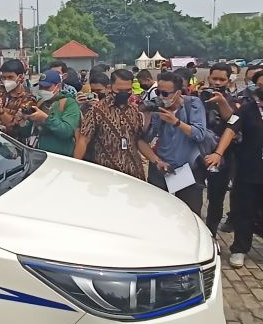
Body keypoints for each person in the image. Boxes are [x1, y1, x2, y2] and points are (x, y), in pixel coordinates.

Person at [204, 80, 263, 267]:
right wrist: (218, 153)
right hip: (249, 170)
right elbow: (230, 130)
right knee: (245, 211)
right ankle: (239, 249)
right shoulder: (247, 109)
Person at [75, 69, 158, 179]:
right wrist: (76, 168)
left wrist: (156, 161)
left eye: (128, 90)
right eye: (120, 90)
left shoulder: (134, 110)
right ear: (110, 88)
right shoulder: (96, 110)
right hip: (106, 175)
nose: (124, 94)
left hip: (134, 174)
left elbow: (139, 140)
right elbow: (83, 140)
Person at [143, 72, 207, 214]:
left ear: (178, 93)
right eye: (158, 92)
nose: (160, 97)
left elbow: (200, 134)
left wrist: (176, 122)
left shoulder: (193, 104)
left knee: (190, 213)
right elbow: (145, 139)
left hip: (188, 169)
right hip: (162, 166)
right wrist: (147, 118)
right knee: (156, 211)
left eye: (165, 93)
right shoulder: (157, 108)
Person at [201, 63, 241, 236]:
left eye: (221, 79)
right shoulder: (198, 96)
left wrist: (222, 102)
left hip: (223, 156)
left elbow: (233, 122)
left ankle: (211, 233)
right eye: (214, 78)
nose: (217, 82)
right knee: (193, 193)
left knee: (216, 199)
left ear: (228, 80)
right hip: (199, 153)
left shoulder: (236, 100)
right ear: (209, 77)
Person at [24, 69, 81, 156]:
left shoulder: (69, 103)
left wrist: (45, 119)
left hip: (60, 158)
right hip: (38, 156)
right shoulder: (40, 103)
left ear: (58, 86)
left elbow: (67, 131)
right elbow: (28, 132)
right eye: (40, 87)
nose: (42, 90)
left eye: (47, 87)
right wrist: (22, 122)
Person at [0, 59, 37, 143]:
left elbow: (15, 126)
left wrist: (1, 111)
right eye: (4, 77)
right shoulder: (1, 93)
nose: (6, 80)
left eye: (10, 77)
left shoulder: (28, 99)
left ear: (20, 77)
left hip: (16, 145)